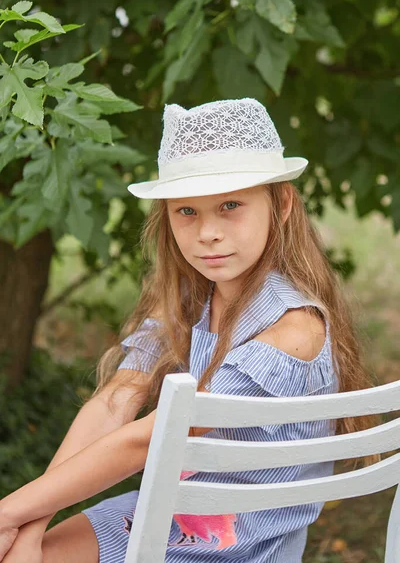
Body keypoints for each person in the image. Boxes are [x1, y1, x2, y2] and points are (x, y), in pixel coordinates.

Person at [0, 98, 378, 563]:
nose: (207, 233)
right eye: (187, 212)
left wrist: (7, 512)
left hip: (238, 545)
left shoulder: (292, 330)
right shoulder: (188, 301)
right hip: (164, 515)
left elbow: (151, 439)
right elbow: (116, 400)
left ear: (281, 204)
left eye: (231, 205)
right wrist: (28, 525)